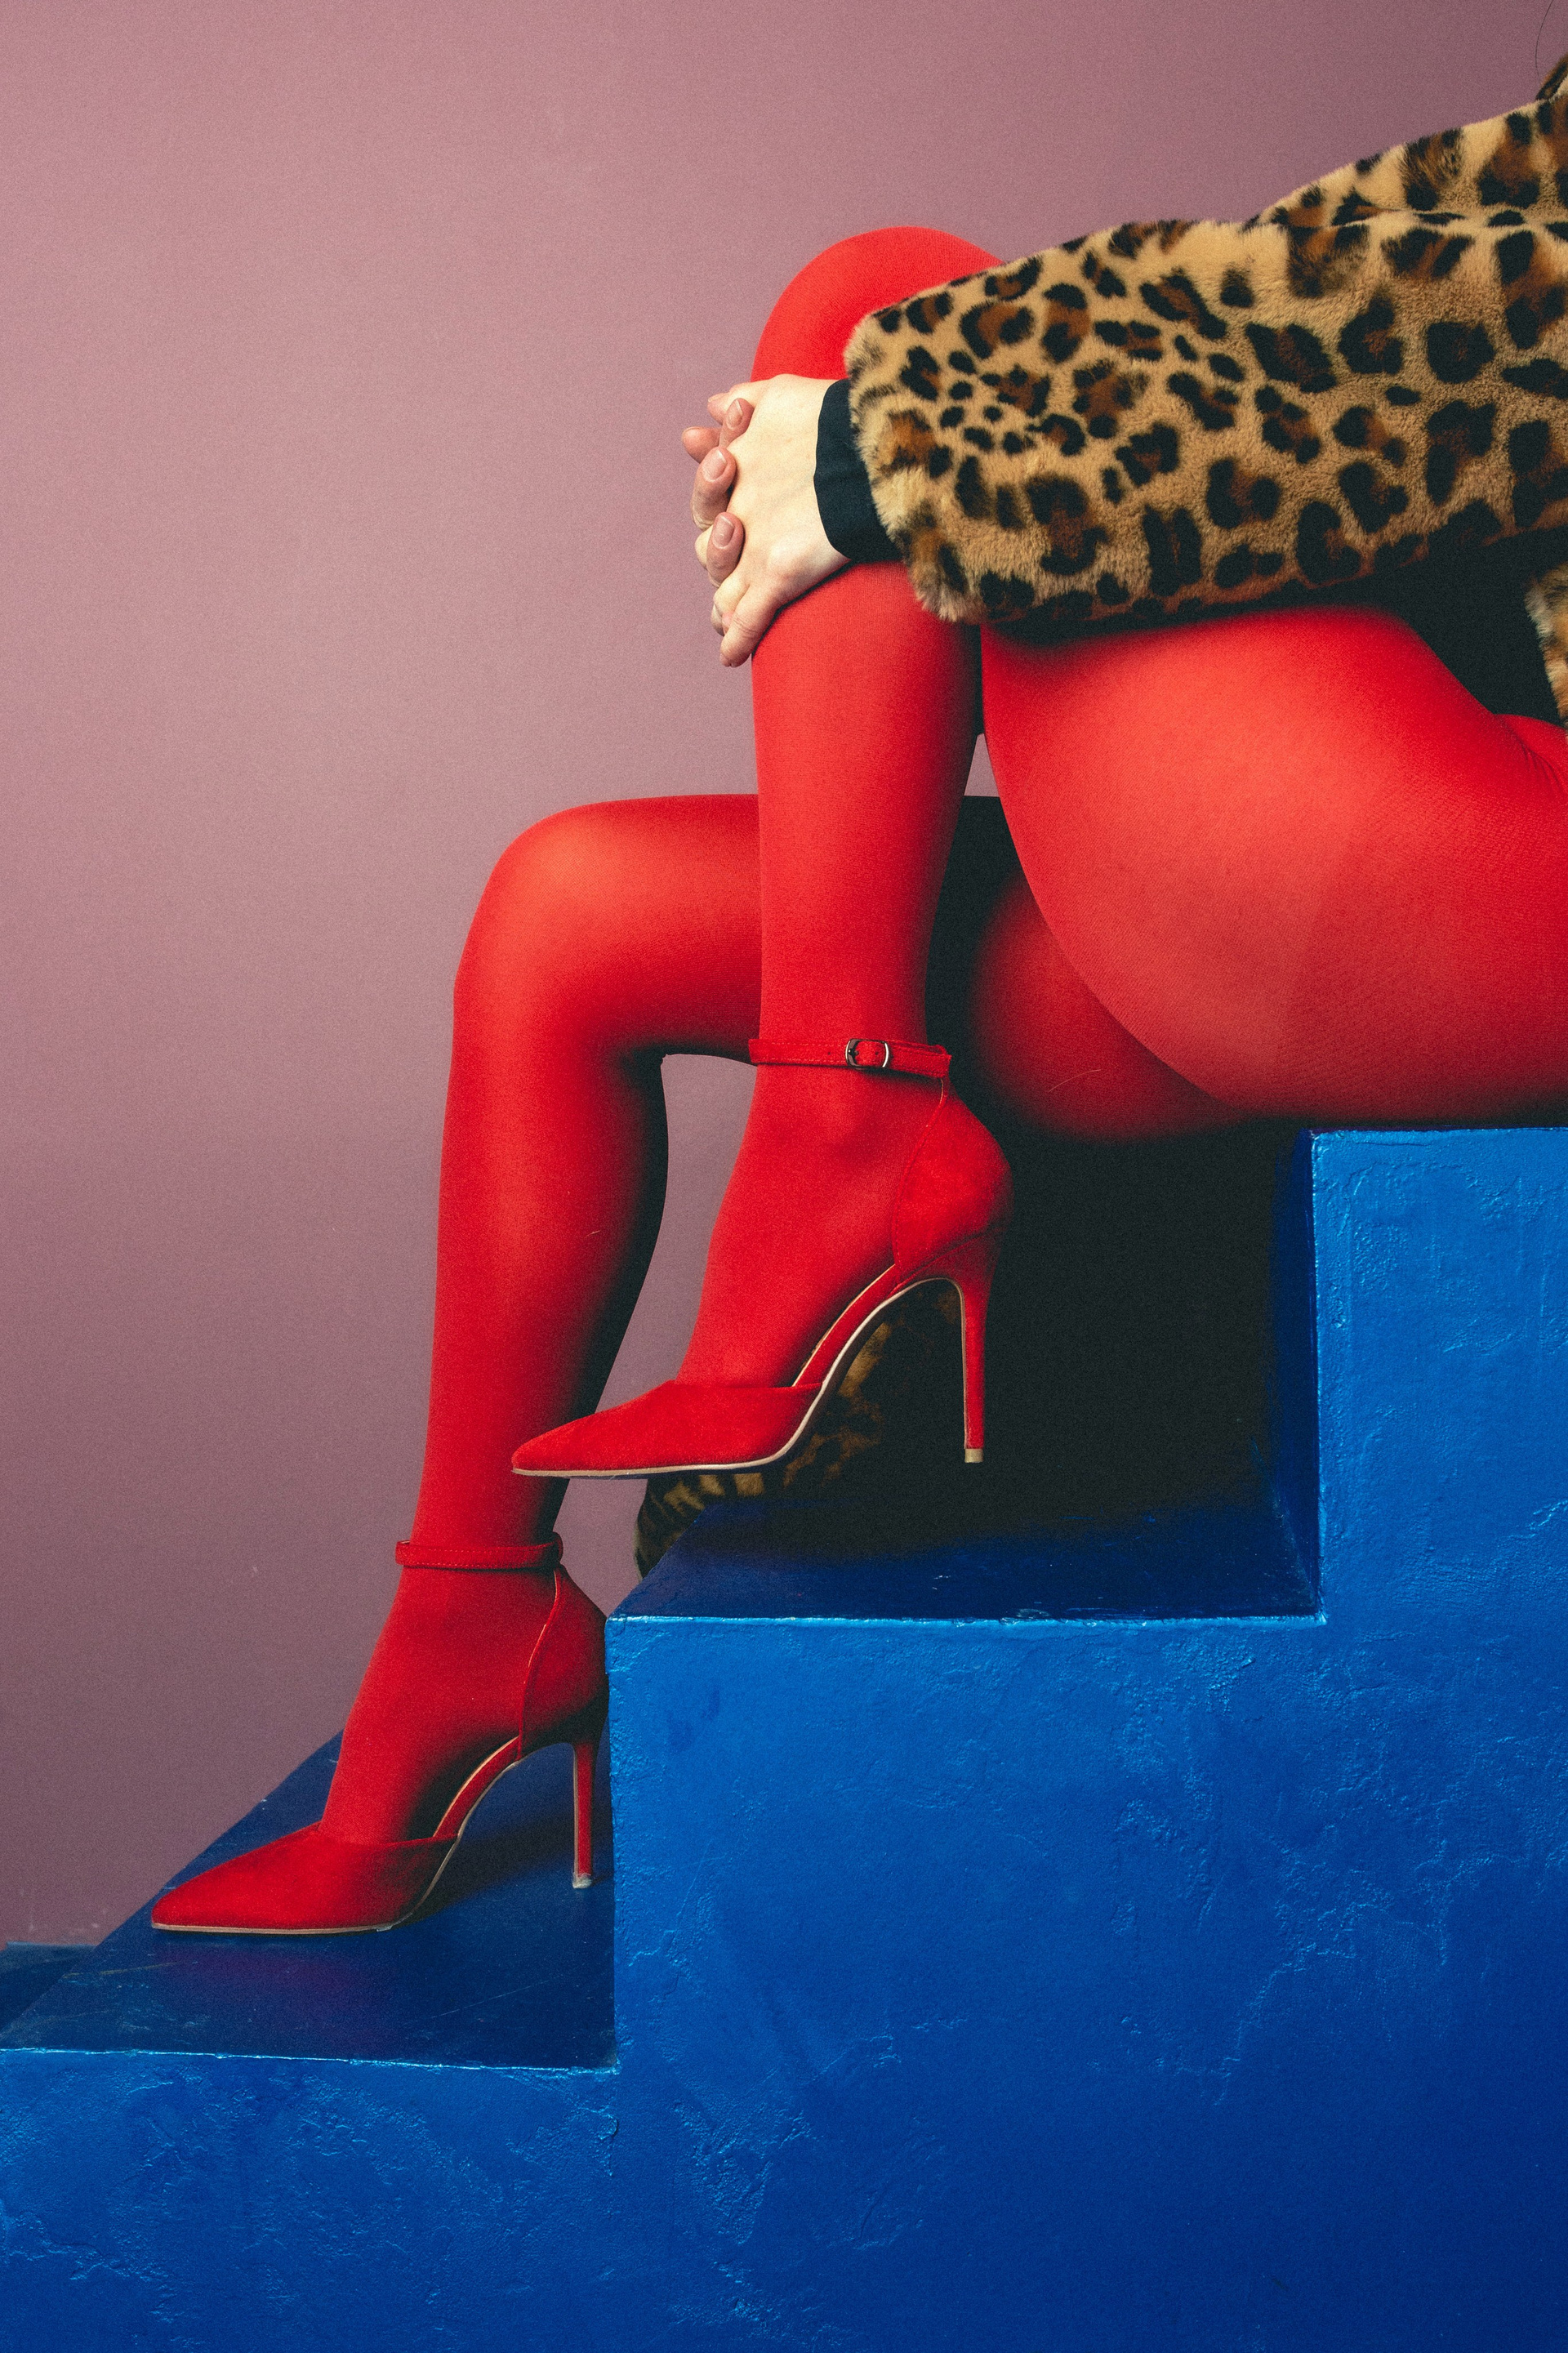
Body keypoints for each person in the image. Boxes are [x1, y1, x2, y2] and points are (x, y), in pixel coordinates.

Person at [154, 69, 1568, 1935]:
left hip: (1512, 871)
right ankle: (470, 1622)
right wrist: (920, 431)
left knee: (879, 311)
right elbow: (1386, 263)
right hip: (1412, 849)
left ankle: (844, 1131)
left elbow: (1484, 346)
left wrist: (902, 451)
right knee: (564, 917)